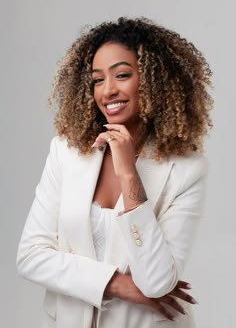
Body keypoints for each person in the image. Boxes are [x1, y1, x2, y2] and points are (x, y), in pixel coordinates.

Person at [16, 17, 213, 328]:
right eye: (97, 79)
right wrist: (118, 285)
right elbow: (31, 256)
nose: (107, 91)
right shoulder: (66, 152)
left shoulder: (187, 170)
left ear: (153, 80)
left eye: (122, 75)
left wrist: (129, 174)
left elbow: (158, 282)